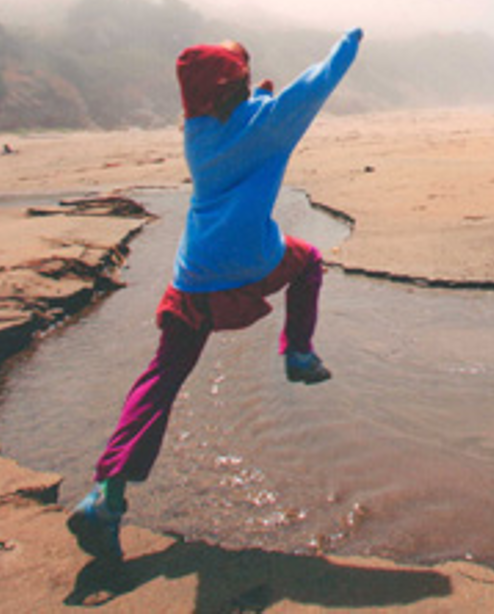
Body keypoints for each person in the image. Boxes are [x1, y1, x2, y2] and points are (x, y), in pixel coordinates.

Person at [67, 28, 363, 562]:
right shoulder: (267, 125)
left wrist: (259, 99)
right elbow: (315, 86)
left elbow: (241, 119)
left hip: (195, 273)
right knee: (310, 262)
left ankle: (106, 496)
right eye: (244, 79)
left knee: (161, 379)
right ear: (238, 84)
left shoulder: (197, 133)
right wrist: (348, 44)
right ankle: (298, 353)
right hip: (251, 256)